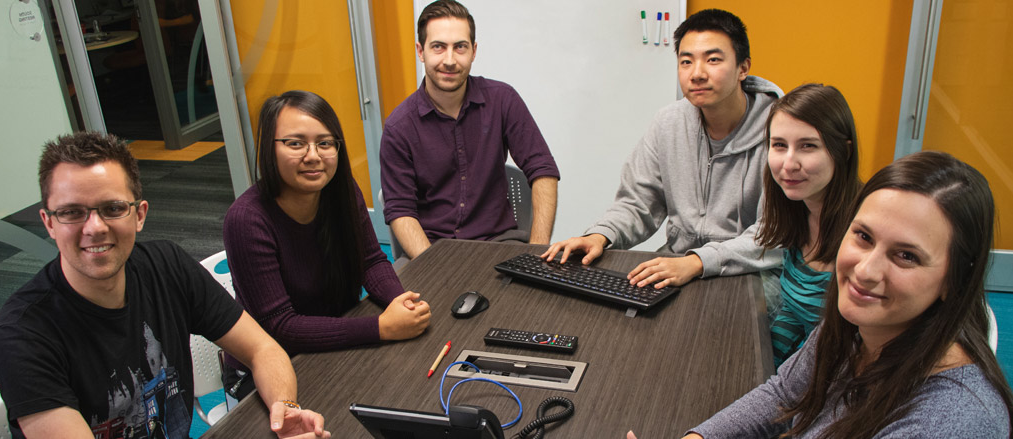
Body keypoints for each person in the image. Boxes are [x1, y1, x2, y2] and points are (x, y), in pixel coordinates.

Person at [629, 151, 1013, 438]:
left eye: (906, 256)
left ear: (954, 280)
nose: (865, 271)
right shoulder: (858, 328)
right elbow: (782, 393)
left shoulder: (951, 420)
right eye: (863, 237)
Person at [0, 132, 329, 438]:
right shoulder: (23, 333)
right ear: (49, 223)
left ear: (139, 215)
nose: (94, 227)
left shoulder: (165, 266)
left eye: (112, 208)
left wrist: (284, 410)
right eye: (72, 212)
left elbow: (263, 350)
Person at [543, 9, 782, 288]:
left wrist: (698, 262)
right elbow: (638, 203)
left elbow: (772, 234)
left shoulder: (779, 131)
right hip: (678, 262)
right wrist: (600, 235)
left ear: (743, 68)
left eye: (713, 60)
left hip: (750, 271)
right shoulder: (668, 123)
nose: (697, 74)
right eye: (686, 61)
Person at [223, 90, 431, 398]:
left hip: (337, 336)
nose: (313, 155)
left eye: (325, 143)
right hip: (270, 368)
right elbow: (281, 326)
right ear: (269, 148)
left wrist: (399, 302)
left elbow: (371, 261)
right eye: (295, 143)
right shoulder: (246, 220)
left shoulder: (342, 191)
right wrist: (381, 328)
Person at [380, 0, 561, 259]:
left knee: (537, 300)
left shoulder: (503, 100)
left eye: (460, 47)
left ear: (474, 51)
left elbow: (543, 170)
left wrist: (537, 251)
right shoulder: (399, 127)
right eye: (438, 47)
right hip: (433, 250)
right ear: (421, 51)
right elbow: (400, 209)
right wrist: (433, 268)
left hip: (501, 245)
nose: (450, 60)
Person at [757, 83, 862, 367]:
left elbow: (852, 358)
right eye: (779, 145)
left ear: (844, 151)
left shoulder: (865, 234)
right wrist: (761, 366)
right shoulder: (796, 213)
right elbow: (793, 314)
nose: (788, 164)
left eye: (808, 146)